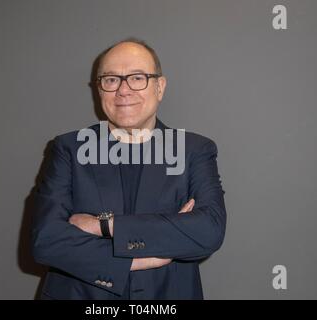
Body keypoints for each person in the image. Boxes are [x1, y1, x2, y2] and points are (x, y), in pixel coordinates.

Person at [32, 38, 227, 299]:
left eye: (137, 78)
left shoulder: (194, 150)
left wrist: (103, 226)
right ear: (99, 90)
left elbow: (208, 231)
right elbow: (46, 240)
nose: (123, 90)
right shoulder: (68, 148)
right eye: (111, 79)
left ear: (160, 87)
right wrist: (140, 259)